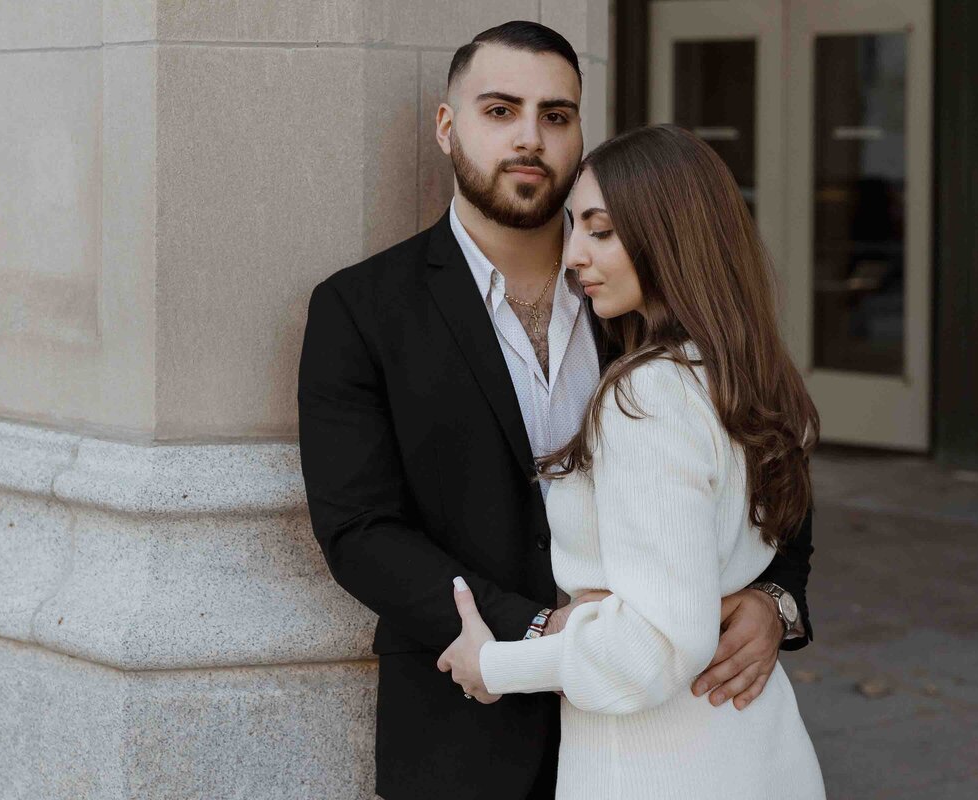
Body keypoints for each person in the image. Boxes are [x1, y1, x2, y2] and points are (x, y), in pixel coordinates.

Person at [297, 22, 816, 800]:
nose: (529, 138)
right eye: (500, 111)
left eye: (556, 115)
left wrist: (778, 600)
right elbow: (359, 530)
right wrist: (540, 631)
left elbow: (769, 456)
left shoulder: (644, 300)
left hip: (662, 733)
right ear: (448, 127)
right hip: (466, 723)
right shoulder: (361, 309)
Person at [437, 124, 826, 798]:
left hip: (664, 764)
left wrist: (496, 665)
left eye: (602, 231)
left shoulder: (647, 394)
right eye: (574, 229)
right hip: (753, 742)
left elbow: (657, 644)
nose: (572, 256)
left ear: (669, 237)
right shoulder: (741, 376)